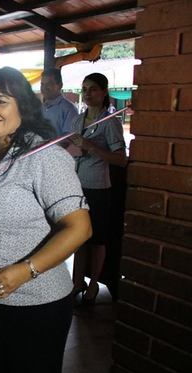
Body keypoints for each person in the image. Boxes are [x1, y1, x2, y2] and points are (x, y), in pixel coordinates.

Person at [0, 67, 92, 373]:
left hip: (36, 306)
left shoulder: (44, 157)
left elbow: (80, 227)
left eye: (0, 101)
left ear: (22, 104)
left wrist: (24, 271)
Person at [70, 73, 127, 305]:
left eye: (93, 89)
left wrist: (90, 147)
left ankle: (93, 285)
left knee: (97, 240)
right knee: (78, 238)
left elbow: (120, 159)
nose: (88, 94)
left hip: (99, 187)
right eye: (85, 89)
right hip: (77, 186)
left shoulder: (110, 121)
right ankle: (76, 283)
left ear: (104, 92)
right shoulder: (78, 120)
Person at [40, 68, 79, 139]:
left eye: (49, 84)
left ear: (60, 85)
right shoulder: (40, 108)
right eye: (42, 84)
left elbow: (67, 140)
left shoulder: (69, 109)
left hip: (55, 150)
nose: (44, 88)